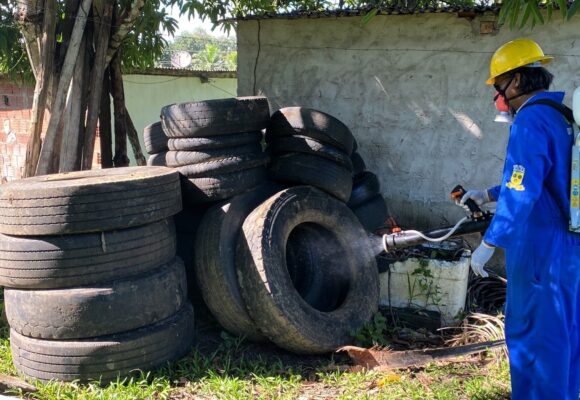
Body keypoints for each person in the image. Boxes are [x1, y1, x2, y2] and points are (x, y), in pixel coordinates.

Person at [461, 38, 580, 400]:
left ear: (515, 82)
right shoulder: (561, 116)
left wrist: (490, 242)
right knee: (566, 333)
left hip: (541, 248)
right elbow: (541, 175)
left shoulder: (529, 119)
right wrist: (489, 193)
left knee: (534, 336)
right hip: (569, 246)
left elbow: (523, 190)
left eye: (498, 86)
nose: (497, 96)